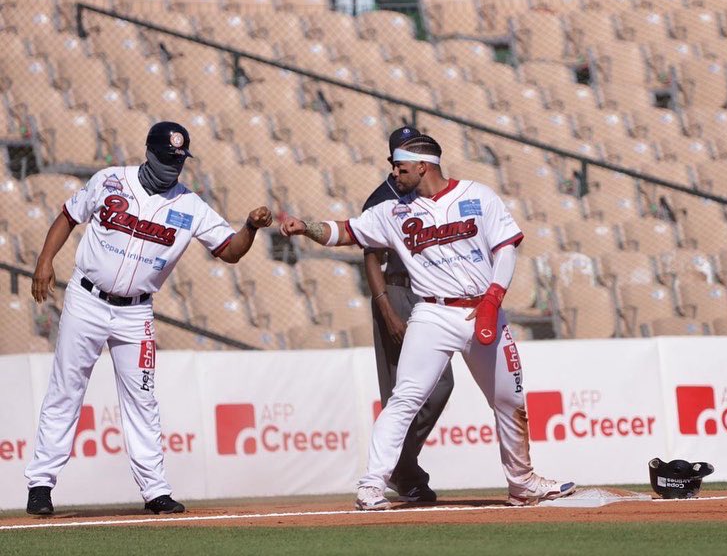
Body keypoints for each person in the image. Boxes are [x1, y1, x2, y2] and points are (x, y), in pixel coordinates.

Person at [280, 134, 576, 510]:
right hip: (432, 313)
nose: (394, 173)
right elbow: (347, 231)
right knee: (404, 397)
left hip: (481, 308)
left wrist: (493, 298)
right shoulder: (394, 210)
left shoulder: (477, 196)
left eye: (400, 167)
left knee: (509, 399)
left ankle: (522, 483)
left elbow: (506, 247)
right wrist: (305, 226)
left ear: (423, 166)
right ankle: (372, 485)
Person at [25, 121, 273, 516]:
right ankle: (40, 484)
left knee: (141, 399)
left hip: (136, 310)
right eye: (167, 157)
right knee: (66, 390)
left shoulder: (189, 205)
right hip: (86, 300)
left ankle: (155, 490)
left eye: (179, 159)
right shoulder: (110, 180)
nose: (173, 165)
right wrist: (44, 260)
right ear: (149, 152)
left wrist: (250, 228)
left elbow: (229, 251)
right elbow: (69, 216)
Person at [361, 126, 454, 503]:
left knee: (440, 386)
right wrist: (387, 309)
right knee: (402, 392)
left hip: (431, 293)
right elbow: (371, 256)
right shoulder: (381, 199)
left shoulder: (427, 195)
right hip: (397, 290)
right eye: (402, 156)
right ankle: (402, 471)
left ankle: (403, 466)